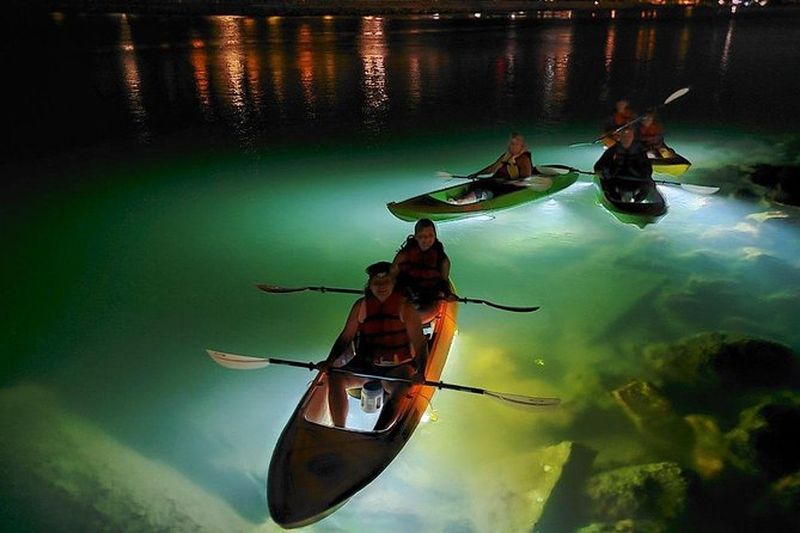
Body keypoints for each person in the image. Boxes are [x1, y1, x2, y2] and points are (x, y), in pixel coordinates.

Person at [317, 261, 428, 429]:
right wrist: (329, 361)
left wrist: (421, 371)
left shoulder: (406, 309)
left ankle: (378, 432)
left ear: (394, 283)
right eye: (377, 282)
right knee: (336, 377)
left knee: (402, 387)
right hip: (367, 365)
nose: (381, 286)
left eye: (386, 282)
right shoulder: (360, 306)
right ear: (370, 285)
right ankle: (339, 428)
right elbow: (346, 337)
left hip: (398, 367)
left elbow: (420, 344)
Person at [447, 132, 534, 204]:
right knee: (479, 183)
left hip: (512, 186)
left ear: (521, 146)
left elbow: (526, 180)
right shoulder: (506, 156)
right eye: (511, 144)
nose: (512, 146)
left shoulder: (523, 159)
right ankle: (464, 198)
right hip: (499, 181)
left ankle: (461, 202)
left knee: (491, 190)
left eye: (516, 144)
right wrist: (477, 174)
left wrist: (508, 181)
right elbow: (492, 168)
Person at [392, 218, 452, 309]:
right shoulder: (404, 255)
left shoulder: (442, 259)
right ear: (416, 236)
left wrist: (447, 294)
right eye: (422, 236)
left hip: (430, 293)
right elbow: (392, 275)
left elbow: (444, 281)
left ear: (435, 236)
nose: (427, 239)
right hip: (408, 291)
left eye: (430, 235)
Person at [593, 126, 654, 203]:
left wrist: (645, 176)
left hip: (636, 180)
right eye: (624, 137)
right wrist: (599, 172)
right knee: (607, 184)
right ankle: (616, 201)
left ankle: (637, 202)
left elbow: (648, 168)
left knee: (649, 184)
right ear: (620, 138)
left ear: (632, 137)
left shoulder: (639, 152)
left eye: (629, 136)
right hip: (616, 180)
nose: (627, 139)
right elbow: (599, 165)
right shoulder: (613, 150)